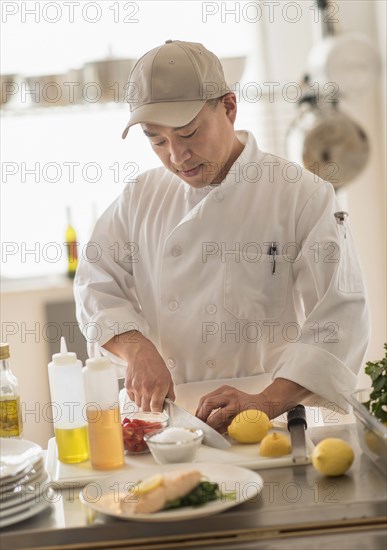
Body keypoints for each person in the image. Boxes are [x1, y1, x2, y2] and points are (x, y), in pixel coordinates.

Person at [74, 40, 370, 432]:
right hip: (169, 424)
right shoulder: (140, 197)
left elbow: (340, 316)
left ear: (229, 107)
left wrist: (266, 401)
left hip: (268, 420)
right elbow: (95, 284)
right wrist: (137, 349)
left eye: (189, 132)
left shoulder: (301, 195)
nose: (177, 156)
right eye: (156, 139)